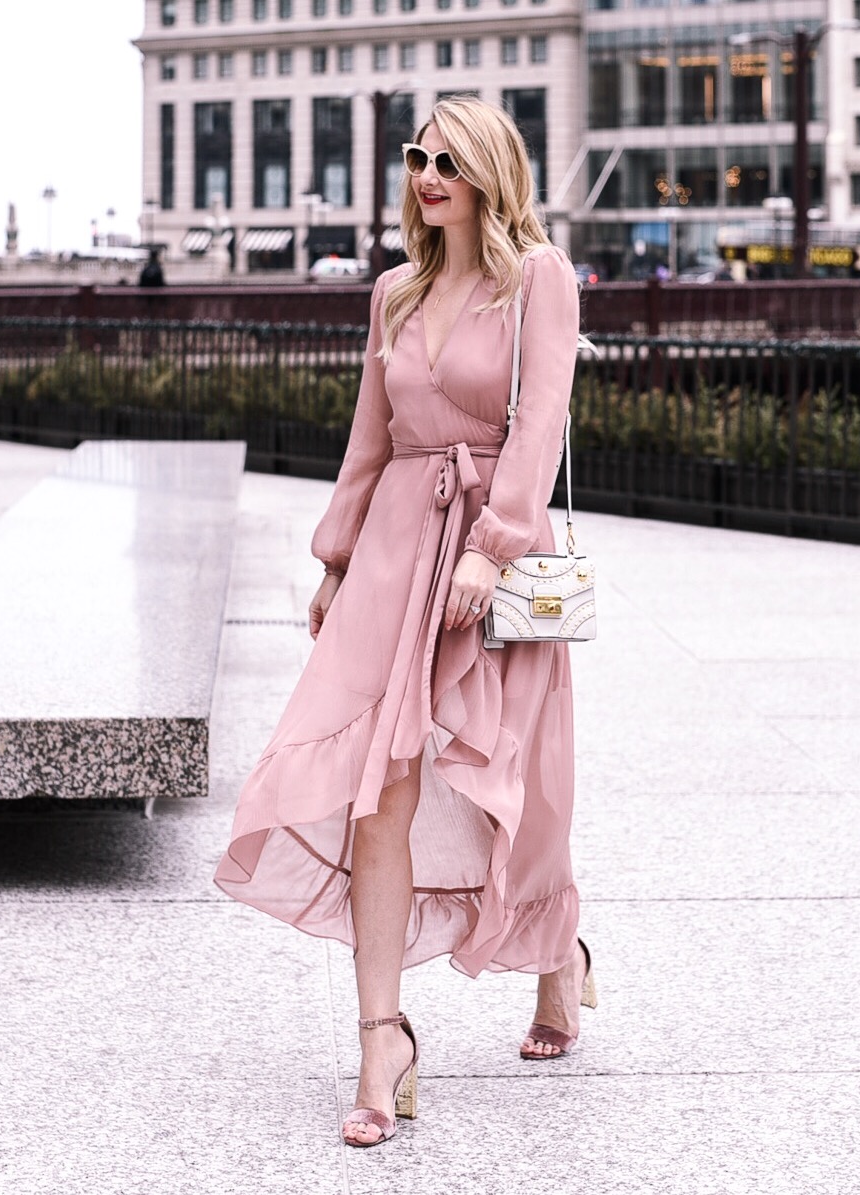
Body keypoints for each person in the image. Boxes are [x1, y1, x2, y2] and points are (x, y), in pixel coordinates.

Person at [215, 95, 595, 1148]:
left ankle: (559, 957)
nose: (427, 176)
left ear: (489, 174)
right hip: (393, 551)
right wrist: (335, 559)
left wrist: (492, 543)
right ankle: (381, 1035)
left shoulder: (540, 279)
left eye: (449, 161)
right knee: (376, 783)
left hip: (491, 557)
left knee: (511, 781)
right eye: (419, 158)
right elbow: (368, 441)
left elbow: (540, 424)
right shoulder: (393, 292)